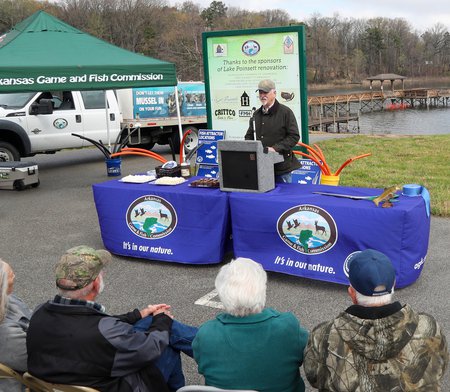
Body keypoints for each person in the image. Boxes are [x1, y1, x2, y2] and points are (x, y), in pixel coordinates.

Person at [26, 246, 197, 392]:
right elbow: (151, 348)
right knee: (166, 342)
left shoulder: (39, 312)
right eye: (101, 272)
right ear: (95, 284)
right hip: (112, 385)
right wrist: (162, 320)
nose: (104, 274)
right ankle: (213, 345)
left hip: (66, 380)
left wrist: (138, 315)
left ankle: (209, 343)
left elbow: (88, 326)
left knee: (150, 323)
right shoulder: (105, 331)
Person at [304, 249, 449, 391]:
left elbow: (314, 377)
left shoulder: (323, 336)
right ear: (393, 285)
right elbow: (439, 368)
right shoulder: (429, 328)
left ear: (352, 293)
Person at [193, 257, 309, 392]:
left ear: (222, 293)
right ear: (261, 290)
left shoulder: (206, 334)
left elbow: (202, 364)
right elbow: (310, 357)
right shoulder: (288, 327)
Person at [245, 79, 300, 183]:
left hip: (281, 169)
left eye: (265, 92)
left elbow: (294, 136)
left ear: (274, 93)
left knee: (283, 198)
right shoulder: (256, 114)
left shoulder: (286, 112)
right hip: (261, 168)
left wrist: (275, 148)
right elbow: (249, 136)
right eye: (260, 92)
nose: (262, 95)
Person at [0, 259, 32, 392]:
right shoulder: (6, 333)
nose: (15, 276)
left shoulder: (9, 298)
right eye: (11, 274)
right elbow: (36, 361)